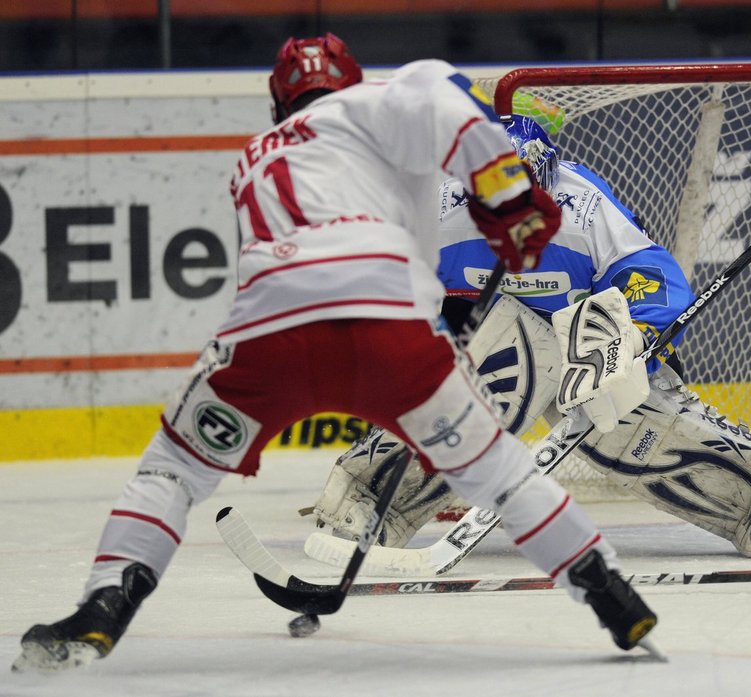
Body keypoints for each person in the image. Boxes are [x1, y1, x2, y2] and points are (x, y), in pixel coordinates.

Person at [12, 34, 660, 673]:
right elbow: (445, 95)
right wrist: (512, 201)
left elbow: (333, 248)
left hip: (271, 334)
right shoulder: (372, 105)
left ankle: (103, 608)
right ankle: (613, 596)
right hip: (390, 336)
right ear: (349, 82)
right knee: (500, 472)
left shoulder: (254, 157)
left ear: (277, 106)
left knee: (172, 471)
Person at [311, 114, 751, 560]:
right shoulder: (436, 217)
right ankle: (367, 502)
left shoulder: (585, 210)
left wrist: (634, 339)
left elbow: (651, 277)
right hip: (491, 343)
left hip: (586, 342)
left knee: (628, 427)